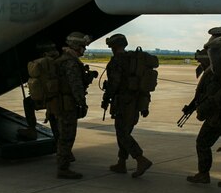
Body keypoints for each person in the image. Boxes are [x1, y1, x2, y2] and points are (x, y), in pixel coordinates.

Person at [182, 49, 221, 188]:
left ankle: (203, 174)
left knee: (202, 142)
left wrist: (201, 112)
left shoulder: (214, 74)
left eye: (201, 60)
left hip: (217, 117)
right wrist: (191, 106)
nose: (200, 64)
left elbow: (211, 98)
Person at [101, 33, 153, 177]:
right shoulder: (134, 59)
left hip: (123, 102)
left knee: (122, 133)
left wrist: (106, 98)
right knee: (125, 131)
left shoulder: (117, 61)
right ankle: (121, 163)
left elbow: (114, 83)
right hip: (136, 101)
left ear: (114, 46)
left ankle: (140, 159)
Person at [52, 32, 92, 179]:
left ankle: (64, 163)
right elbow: (75, 85)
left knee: (63, 134)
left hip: (61, 103)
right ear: (76, 46)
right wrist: (82, 102)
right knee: (67, 136)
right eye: (82, 46)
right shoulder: (71, 62)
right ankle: (63, 168)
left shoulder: (62, 59)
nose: (84, 50)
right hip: (67, 105)